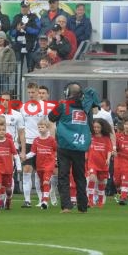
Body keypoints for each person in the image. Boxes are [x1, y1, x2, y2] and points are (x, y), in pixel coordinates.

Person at [48, 82, 92, 213]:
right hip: (80, 146)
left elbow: (51, 117)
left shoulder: (62, 105)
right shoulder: (86, 107)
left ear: (68, 93)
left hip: (65, 145)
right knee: (80, 177)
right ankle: (83, 207)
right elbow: (91, 123)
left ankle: (66, 206)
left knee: (64, 176)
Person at [20, 83, 50, 208]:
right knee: (27, 169)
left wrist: (49, 140)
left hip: (42, 142)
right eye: (29, 92)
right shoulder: (23, 108)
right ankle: (27, 200)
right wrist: (22, 148)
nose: (31, 95)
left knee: (40, 172)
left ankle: (41, 200)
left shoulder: (45, 107)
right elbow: (21, 128)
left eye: (33, 92)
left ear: (38, 92)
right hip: (28, 142)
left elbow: (50, 124)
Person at [27, 119, 57, 209]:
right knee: (41, 183)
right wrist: (25, 157)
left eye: (42, 127)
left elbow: (56, 150)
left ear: (47, 128)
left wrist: (55, 159)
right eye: (39, 127)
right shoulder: (36, 140)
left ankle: (44, 201)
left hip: (49, 164)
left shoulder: (51, 140)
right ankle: (45, 199)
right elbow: (33, 152)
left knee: (45, 181)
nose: (40, 129)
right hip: (39, 165)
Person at [86, 118, 113, 208]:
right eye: (94, 127)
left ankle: (100, 200)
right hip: (92, 162)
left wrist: (108, 159)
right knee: (92, 178)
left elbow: (109, 149)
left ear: (102, 128)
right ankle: (90, 200)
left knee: (102, 182)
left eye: (98, 127)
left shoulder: (106, 138)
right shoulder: (90, 137)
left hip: (102, 163)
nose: (96, 129)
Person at [0, 120, 17, 210]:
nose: (1, 131)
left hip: (8, 169)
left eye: (3, 129)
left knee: (8, 189)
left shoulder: (9, 142)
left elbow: (15, 154)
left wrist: (19, 166)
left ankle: (8, 199)